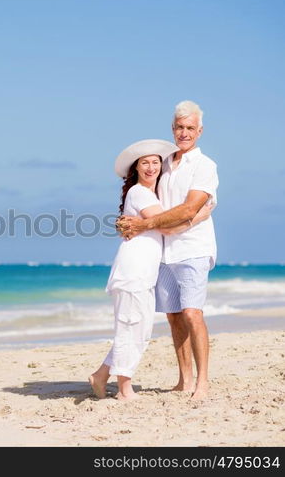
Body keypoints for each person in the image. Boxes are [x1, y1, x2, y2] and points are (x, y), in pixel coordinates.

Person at [89, 139, 212, 401]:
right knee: (131, 326)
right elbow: (167, 227)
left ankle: (101, 375)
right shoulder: (140, 193)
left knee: (139, 329)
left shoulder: (153, 196)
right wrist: (199, 216)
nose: (151, 167)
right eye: (145, 163)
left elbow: (160, 223)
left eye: (156, 162)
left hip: (145, 271)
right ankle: (124, 388)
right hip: (133, 270)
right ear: (136, 168)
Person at [116, 101, 218, 401]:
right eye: (179, 127)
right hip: (163, 251)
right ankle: (184, 380)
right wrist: (129, 223)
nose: (184, 133)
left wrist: (144, 225)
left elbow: (189, 207)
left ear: (199, 131)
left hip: (193, 248)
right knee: (174, 316)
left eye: (190, 128)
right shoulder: (164, 162)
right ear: (172, 128)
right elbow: (144, 200)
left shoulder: (205, 165)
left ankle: (202, 383)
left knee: (192, 313)